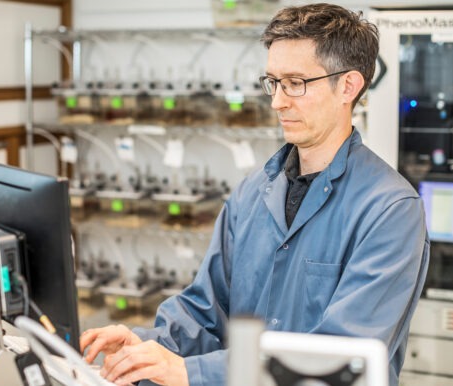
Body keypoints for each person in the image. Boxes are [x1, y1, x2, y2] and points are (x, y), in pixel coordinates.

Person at [80, 3, 430, 386]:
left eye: (296, 83)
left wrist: (189, 371)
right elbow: (206, 310)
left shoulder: (390, 210)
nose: (277, 101)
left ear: (348, 86)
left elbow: (338, 360)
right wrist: (147, 345)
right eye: (273, 82)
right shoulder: (252, 193)